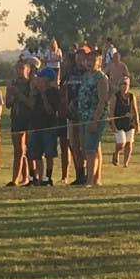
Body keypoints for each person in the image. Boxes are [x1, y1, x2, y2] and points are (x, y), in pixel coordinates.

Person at [76, 48, 110, 187]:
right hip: (84, 116)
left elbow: (102, 100)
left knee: (90, 150)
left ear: (99, 62)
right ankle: (96, 178)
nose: (90, 63)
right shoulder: (85, 76)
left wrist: (95, 120)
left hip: (95, 117)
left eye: (93, 61)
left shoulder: (101, 78)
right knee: (90, 148)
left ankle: (89, 180)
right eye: (88, 60)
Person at [26, 67, 61, 185]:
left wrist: (43, 95)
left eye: (41, 78)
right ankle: (39, 177)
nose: (38, 80)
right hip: (35, 125)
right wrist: (33, 93)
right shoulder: (36, 92)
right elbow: (30, 105)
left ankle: (48, 177)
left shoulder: (54, 92)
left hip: (49, 126)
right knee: (36, 153)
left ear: (47, 79)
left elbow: (50, 110)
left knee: (49, 153)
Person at [63, 46, 90, 185]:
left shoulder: (89, 73)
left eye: (83, 57)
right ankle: (79, 174)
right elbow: (65, 89)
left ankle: (87, 174)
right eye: (78, 57)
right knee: (74, 144)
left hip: (84, 113)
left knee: (84, 145)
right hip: (72, 113)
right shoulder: (70, 73)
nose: (80, 60)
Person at [5, 59, 34, 186]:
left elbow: (31, 103)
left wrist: (19, 94)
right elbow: (8, 104)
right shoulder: (12, 85)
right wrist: (11, 94)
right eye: (17, 69)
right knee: (18, 151)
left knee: (30, 150)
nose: (18, 71)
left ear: (27, 70)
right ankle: (16, 179)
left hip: (29, 119)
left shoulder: (31, 84)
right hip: (16, 118)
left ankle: (32, 177)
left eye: (21, 68)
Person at [109, 76, 140, 168]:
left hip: (129, 123)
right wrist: (113, 124)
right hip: (119, 123)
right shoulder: (115, 97)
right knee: (122, 143)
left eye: (126, 84)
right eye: (122, 84)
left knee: (129, 143)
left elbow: (135, 110)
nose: (124, 86)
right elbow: (111, 111)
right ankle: (116, 153)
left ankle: (125, 163)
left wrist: (137, 123)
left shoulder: (131, 97)